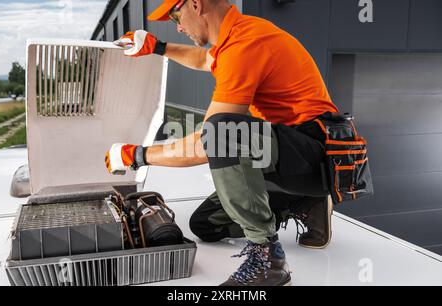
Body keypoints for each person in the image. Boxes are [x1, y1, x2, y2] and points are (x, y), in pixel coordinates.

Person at [105, 0, 339, 286]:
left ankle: (269, 260)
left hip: (315, 154)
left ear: (195, 4)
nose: (178, 26)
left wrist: (137, 155)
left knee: (221, 131)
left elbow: (208, 143)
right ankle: (303, 202)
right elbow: (204, 59)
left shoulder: (246, 44)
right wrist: (157, 47)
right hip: (288, 155)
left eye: (176, 15)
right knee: (205, 224)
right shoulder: (235, 37)